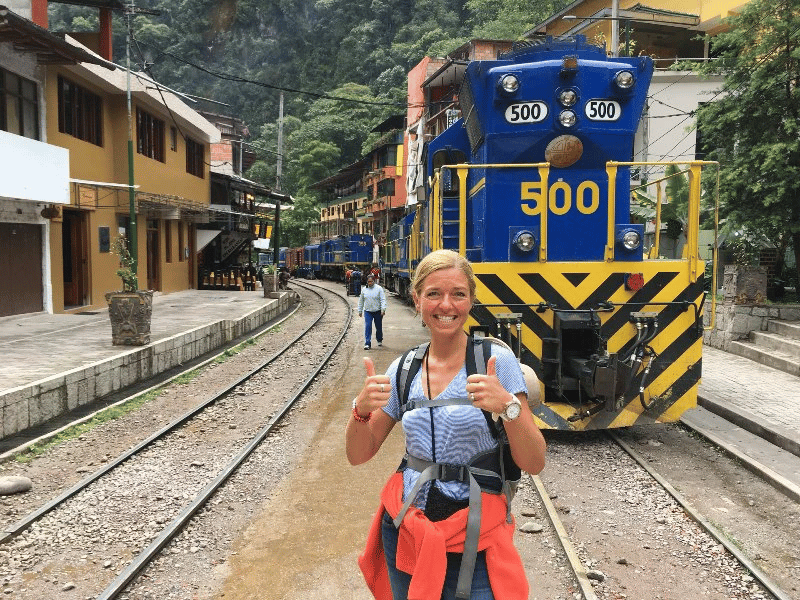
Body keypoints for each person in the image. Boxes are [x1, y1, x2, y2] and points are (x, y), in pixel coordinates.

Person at [346, 249, 546, 600]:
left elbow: (534, 462)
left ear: (470, 300)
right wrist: (360, 411)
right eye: (434, 293)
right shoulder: (403, 370)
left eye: (458, 294)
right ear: (417, 298)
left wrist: (508, 406)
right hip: (408, 528)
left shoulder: (497, 363)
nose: (446, 305)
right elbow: (358, 455)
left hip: (477, 536)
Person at [357, 273, 386, 350]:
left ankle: (379, 339)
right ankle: (367, 343)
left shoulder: (379, 289)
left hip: (378, 311)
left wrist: (383, 309)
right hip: (368, 311)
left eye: (371, 281)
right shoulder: (364, 290)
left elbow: (382, 299)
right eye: (368, 282)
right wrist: (360, 310)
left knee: (378, 327)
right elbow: (361, 300)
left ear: (374, 281)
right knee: (368, 326)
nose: (370, 283)